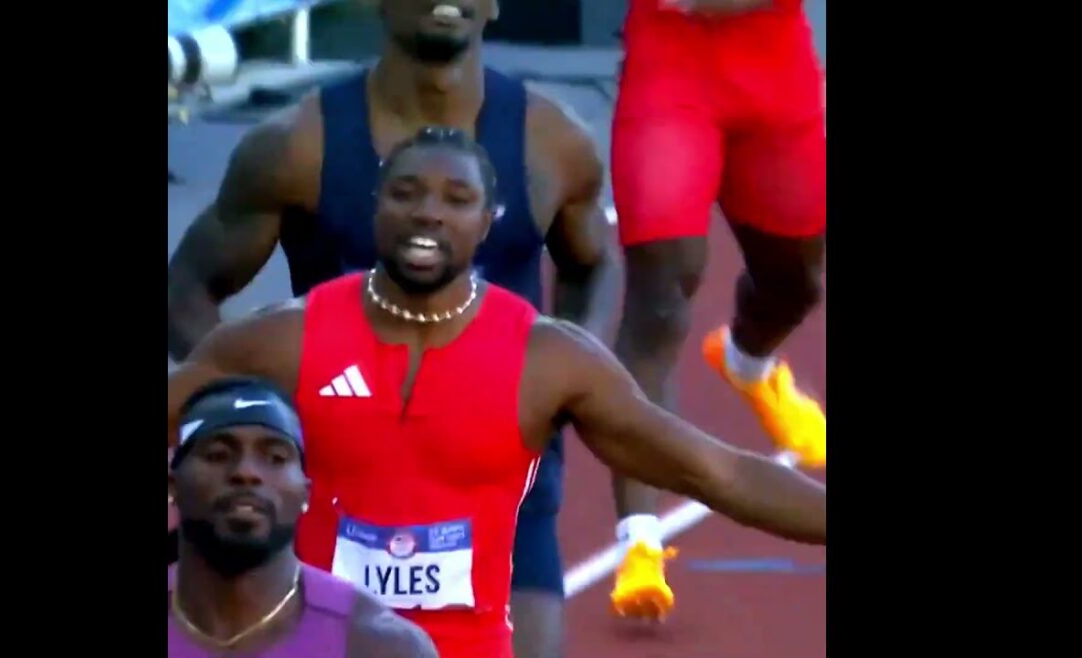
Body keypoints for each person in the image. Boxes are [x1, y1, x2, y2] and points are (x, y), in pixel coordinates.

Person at [168, 129, 826, 658]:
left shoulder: (546, 359)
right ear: (376, 209)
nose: (428, 210)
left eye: (456, 198)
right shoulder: (282, 340)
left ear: (488, 222)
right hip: (312, 644)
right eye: (406, 193)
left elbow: (718, 471)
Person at [164, 0, 665, 649]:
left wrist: (571, 359)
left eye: (457, 201)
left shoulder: (552, 142)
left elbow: (592, 264)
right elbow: (189, 287)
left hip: (488, 472)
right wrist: (255, 417)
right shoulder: (297, 145)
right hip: (335, 487)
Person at [606, 0, 828, 610]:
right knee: (658, 292)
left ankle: (747, 364)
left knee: (797, 281)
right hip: (671, 64)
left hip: (774, 69)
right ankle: (641, 544)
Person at [168, 377, 439, 657]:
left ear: (306, 494)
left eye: (275, 457)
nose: (246, 472)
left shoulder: (380, 644)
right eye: (218, 454)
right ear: (172, 486)